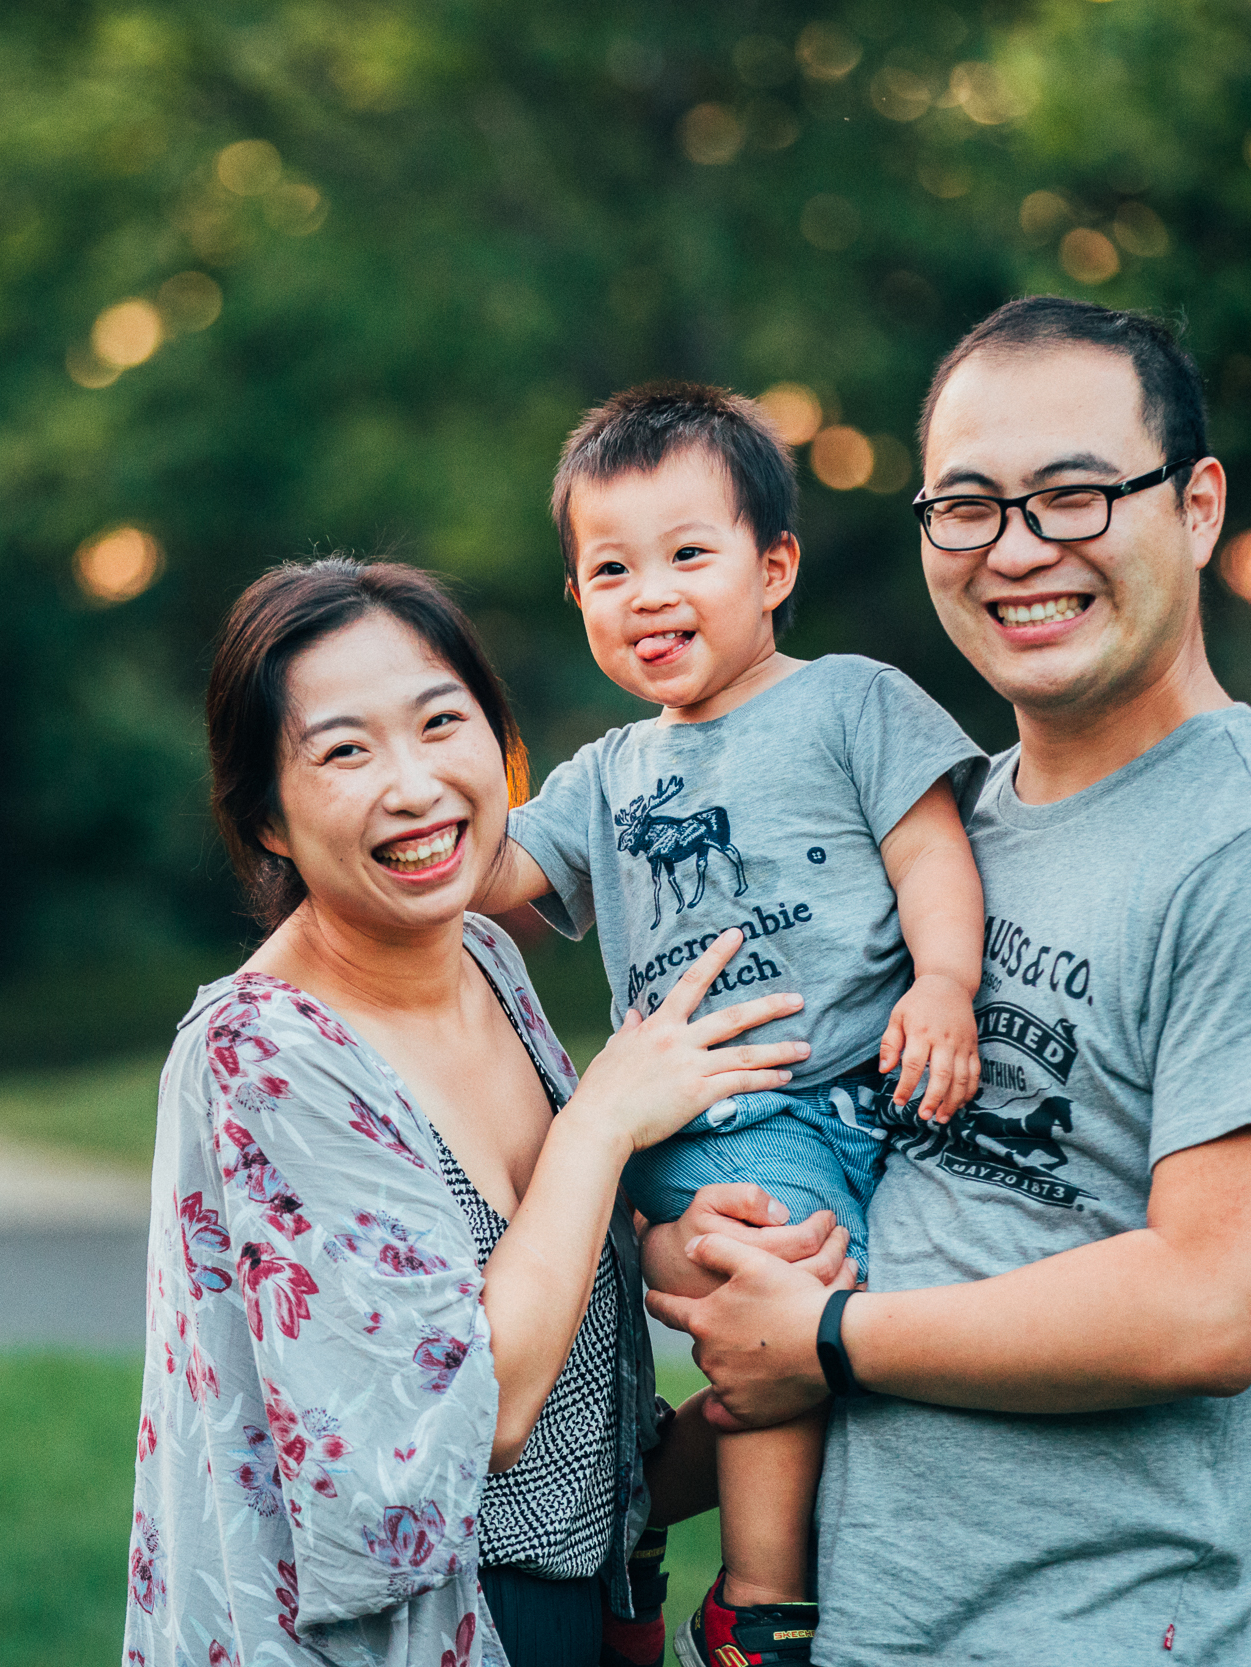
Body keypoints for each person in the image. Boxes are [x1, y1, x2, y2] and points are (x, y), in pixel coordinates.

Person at [650, 297, 1251, 1665]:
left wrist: (823, 1331)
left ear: (1196, 506)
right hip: (853, 1624)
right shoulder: (928, 832)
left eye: (1072, 497)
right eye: (968, 505)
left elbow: (1211, 1304)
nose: (1016, 551)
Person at [125, 557, 845, 1667]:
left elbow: (572, 1448)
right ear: (265, 817)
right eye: (345, 750)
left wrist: (778, 1347)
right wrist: (600, 1125)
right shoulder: (262, 1054)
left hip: (575, 1619)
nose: (413, 785)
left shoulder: (487, 962)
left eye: (439, 722)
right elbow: (476, 1418)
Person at [474, 384, 987, 1667]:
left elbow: (931, 856)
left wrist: (945, 984)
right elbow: (485, 880)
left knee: (855, 1330)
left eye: (686, 555)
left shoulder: (850, 703)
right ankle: (760, 1607)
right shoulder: (604, 773)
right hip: (714, 1106)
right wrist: (433, 758)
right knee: (786, 1285)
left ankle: (638, 1504)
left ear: (774, 567)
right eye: (609, 568)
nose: (647, 593)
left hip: (866, 1100)